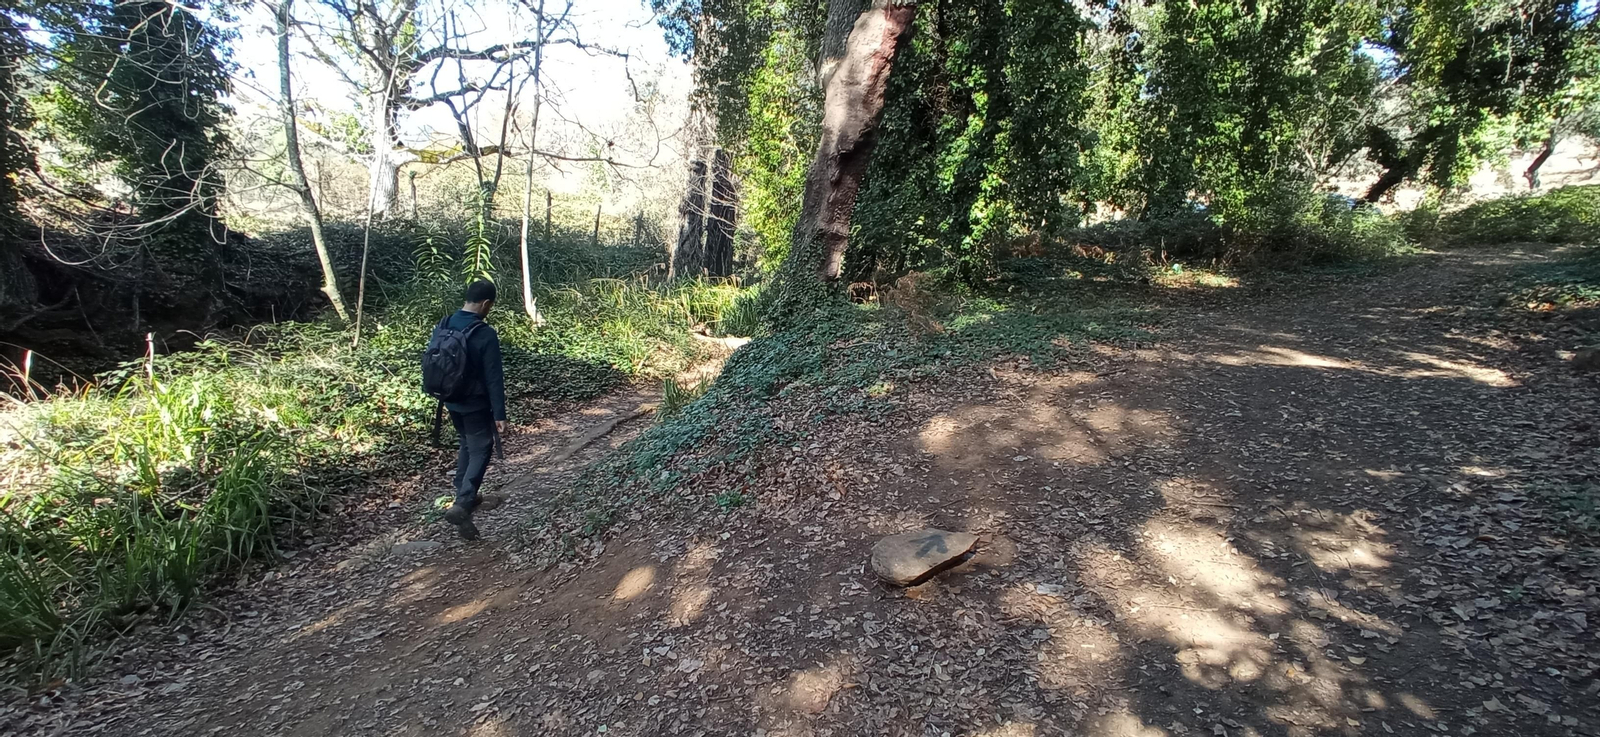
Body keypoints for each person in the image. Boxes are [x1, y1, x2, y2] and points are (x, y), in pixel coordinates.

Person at [439, 280, 507, 540]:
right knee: (481, 448)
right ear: (486, 304)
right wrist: (499, 414)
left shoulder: (445, 323)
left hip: (450, 399)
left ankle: (463, 493)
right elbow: (493, 377)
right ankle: (464, 502)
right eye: (490, 306)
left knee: (467, 444)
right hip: (475, 403)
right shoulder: (484, 333)